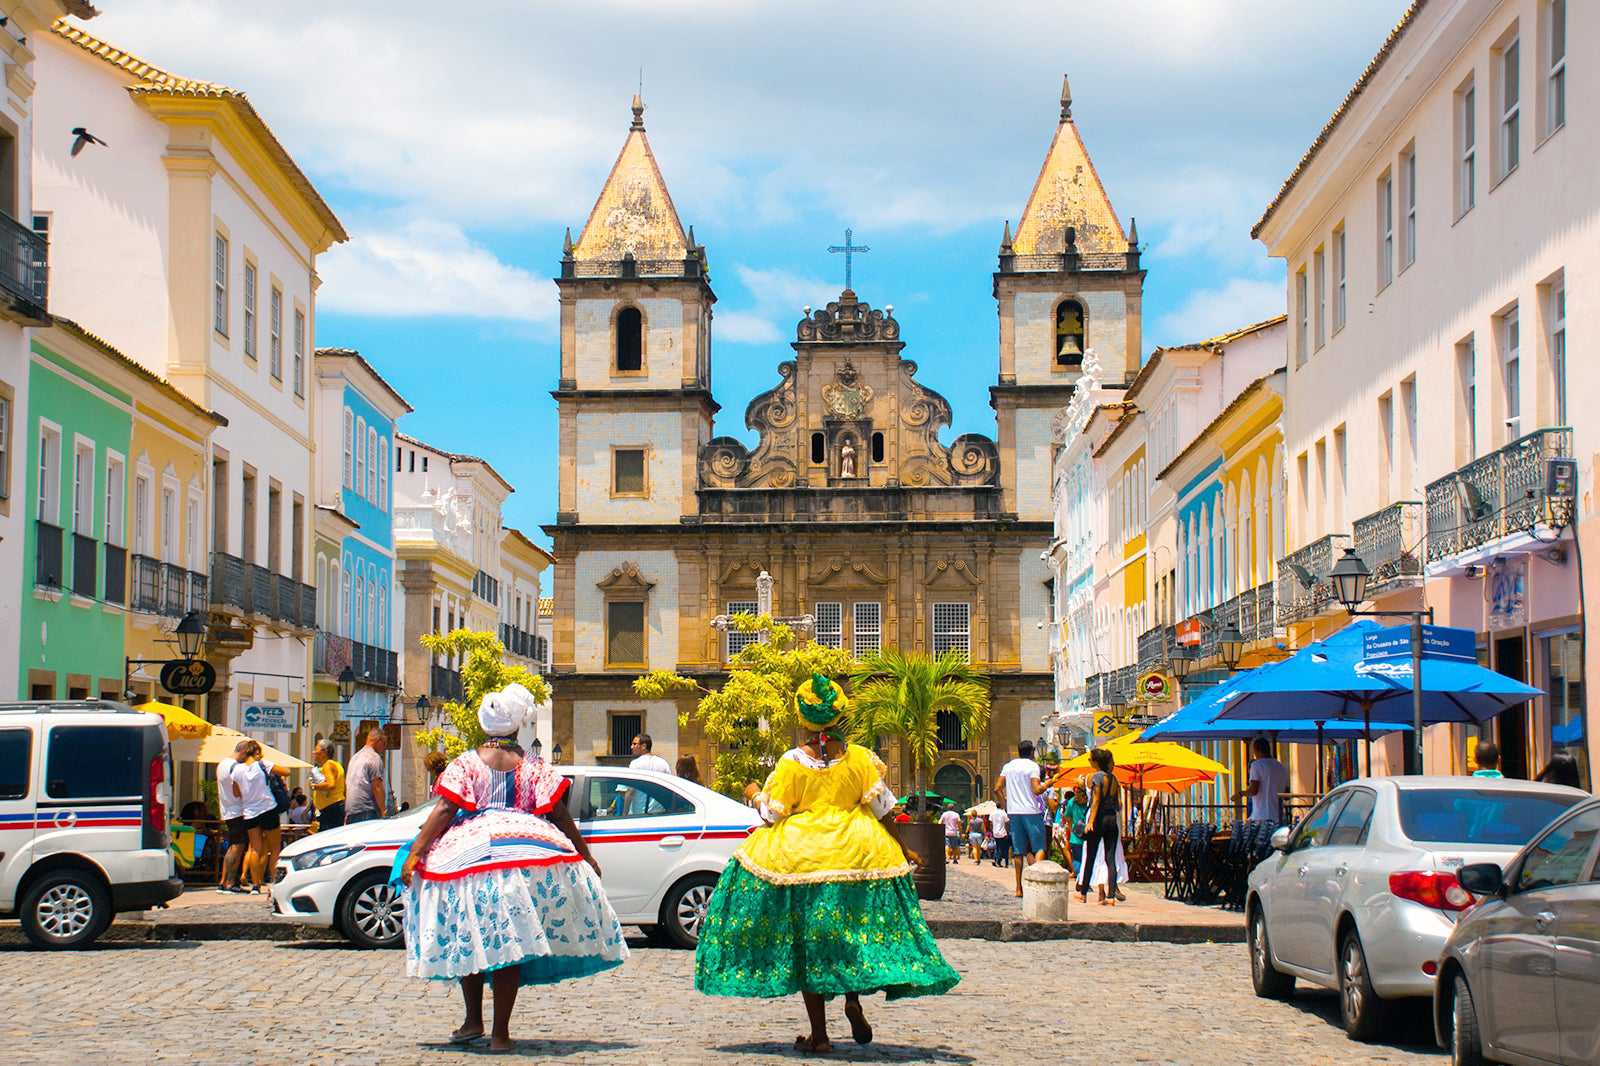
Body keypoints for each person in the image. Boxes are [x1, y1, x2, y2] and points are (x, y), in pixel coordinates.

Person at [694, 674, 959, 1053]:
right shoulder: (861, 758)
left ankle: (819, 1036)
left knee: (810, 944)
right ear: (837, 716)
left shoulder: (791, 763)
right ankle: (853, 999)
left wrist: (753, 794)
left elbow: (771, 815)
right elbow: (884, 808)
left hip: (804, 857)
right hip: (860, 854)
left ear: (804, 718)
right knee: (852, 932)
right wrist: (902, 849)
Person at [401, 683, 626, 1053]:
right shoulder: (533, 765)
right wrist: (583, 853)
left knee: (472, 935)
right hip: (523, 855)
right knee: (510, 942)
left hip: (471, 860)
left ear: (484, 726)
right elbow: (559, 813)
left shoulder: (466, 763)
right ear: (516, 727)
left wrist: (417, 853)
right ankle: (500, 1034)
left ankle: (473, 1019)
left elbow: (444, 809)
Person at [994, 740, 1050, 898]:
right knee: (1039, 848)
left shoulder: (1008, 766)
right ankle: (1038, 883)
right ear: (1032, 751)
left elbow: (997, 788)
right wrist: (1050, 783)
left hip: (1014, 812)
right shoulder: (1033, 766)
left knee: (1018, 852)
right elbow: (1037, 790)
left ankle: (1018, 888)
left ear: (1018, 751)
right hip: (1032, 811)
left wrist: (1006, 806)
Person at [234, 740, 289, 894]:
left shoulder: (238, 770)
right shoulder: (263, 764)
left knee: (255, 849)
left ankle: (256, 885)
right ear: (257, 752)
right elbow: (286, 772)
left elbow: (236, 793)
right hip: (268, 809)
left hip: (250, 813)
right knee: (275, 848)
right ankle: (274, 882)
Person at [1077, 747, 1121, 906]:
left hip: (1099, 819)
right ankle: (1111, 896)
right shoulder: (1114, 779)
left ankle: (1083, 894)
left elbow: (1095, 801)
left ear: (1096, 762)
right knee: (1110, 858)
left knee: (1091, 856)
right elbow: (1119, 804)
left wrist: (1090, 822)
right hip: (1112, 818)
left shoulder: (1097, 777)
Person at [215, 739, 251, 893]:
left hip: (227, 809)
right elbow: (238, 791)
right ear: (243, 751)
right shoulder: (236, 767)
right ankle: (230, 883)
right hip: (237, 810)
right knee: (238, 846)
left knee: (232, 846)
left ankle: (224, 882)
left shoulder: (222, 764)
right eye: (247, 755)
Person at [1235, 737, 1290, 823]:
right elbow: (1286, 794)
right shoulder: (1280, 766)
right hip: (1278, 816)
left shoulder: (1256, 765)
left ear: (1257, 750)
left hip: (1261, 816)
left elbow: (1253, 790)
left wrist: (1240, 794)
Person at [345, 728, 387, 824]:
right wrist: (383, 810)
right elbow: (377, 787)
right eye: (384, 744)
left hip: (351, 811)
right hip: (367, 810)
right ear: (378, 741)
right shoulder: (374, 758)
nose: (384, 748)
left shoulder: (354, 757)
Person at [310, 740, 346, 829]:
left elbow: (330, 784)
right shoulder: (336, 764)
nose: (313, 752)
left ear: (323, 752)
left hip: (331, 809)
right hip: (335, 807)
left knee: (327, 838)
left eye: (316, 749)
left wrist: (314, 786)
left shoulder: (328, 764)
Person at [1060, 784, 1090, 875]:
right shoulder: (1090, 800)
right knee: (1087, 860)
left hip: (1075, 835)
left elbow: (1066, 817)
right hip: (1088, 834)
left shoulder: (1072, 802)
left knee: (1077, 860)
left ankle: (1080, 879)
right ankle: (1084, 881)